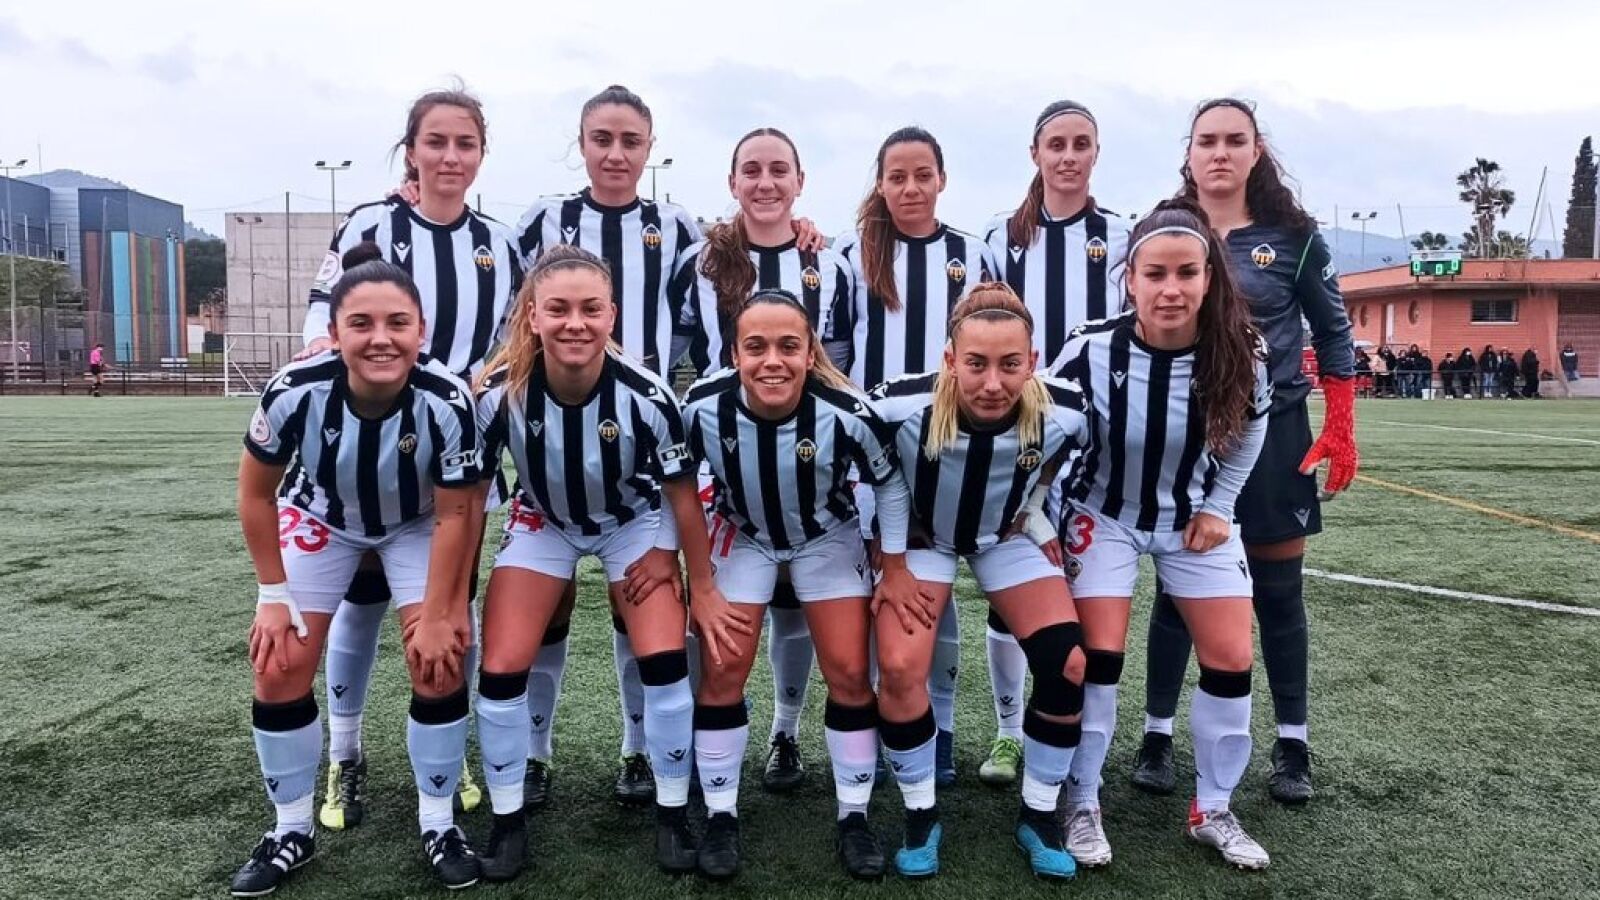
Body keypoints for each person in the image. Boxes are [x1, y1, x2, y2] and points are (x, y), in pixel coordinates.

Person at [297, 86, 522, 832]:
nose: (450, 157)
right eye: (436, 142)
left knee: (451, 605)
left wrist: (478, 394)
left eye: (465, 143)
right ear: (411, 150)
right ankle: (346, 753)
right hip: (366, 450)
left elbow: (514, 341)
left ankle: (447, 748)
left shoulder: (501, 244)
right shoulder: (372, 223)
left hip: (457, 451)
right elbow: (323, 320)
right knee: (360, 602)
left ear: (481, 154)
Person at [230, 243, 485, 896]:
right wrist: (271, 594)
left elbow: (457, 514)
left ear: (421, 330)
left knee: (439, 660)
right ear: (335, 331)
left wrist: (441, 612)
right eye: (361, 324)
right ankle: (290, 828)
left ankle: (438, 821)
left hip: (418, 522)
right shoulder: (295, 389)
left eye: (397, 323)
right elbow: (256, 494)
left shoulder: (447, 399)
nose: (380, 339)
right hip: (321, 516)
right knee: (279, 662)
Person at [1135, 97, 1358, 806]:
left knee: (1279, 592)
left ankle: (1293, 744)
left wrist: (1340, 421)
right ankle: (1156, 736)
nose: (1221, 152)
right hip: (1189, 435)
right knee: (1178, 591)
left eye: (1235, 139)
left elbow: (1333, 330)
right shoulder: (1166, 227)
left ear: (1256, 150)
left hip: (1276, 430)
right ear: (1190, 152)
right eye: (1208, 140)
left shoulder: (1293, 237)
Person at [468, 245, 704, 879]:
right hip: (543, 520)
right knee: (501, 670)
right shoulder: (499, 392)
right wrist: (452, 597)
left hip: (634, 522)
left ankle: (672, 813)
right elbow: (469, 501)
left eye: (590, 309)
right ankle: (508, 819)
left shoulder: (646, 394)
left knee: (665, 662)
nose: (575, 323)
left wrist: (688, 575)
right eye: (559, 309)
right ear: (533, 315)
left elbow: (682, 494)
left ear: (612, 316)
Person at [1050, 200, 1273, 868]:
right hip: (1104, 513)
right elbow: (1048, 430)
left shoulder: (1240, 350)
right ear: (1131, 280)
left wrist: (1221, 505)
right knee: (1099, 657)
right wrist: (1042, 517)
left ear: (1209, 278)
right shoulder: (1090, 347)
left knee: (1231, 657)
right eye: (1155, 274)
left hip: (1193, 517)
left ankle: (1213, 807)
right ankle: (1081, 800)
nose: (1170, 289)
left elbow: (1252, 427)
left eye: (1185, 273)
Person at [677, 289, 916, 880]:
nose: (772, 361)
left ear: (811, 352)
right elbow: (675, 483)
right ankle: (722, 815)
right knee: (723, 669)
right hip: (743, 532)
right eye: (755, 347)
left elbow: (888, 482)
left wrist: (894, 564)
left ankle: (854, 815)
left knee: (850, 673)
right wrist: (696, 578)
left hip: (825, 536)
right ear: (734, 354)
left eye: (789, 346)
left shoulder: (845, 409)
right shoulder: (702, 405)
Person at [871, 283, 1093, 880]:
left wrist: (1037, 507)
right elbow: (862, 465)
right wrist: (888, 554)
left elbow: (1064, 454)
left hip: (1003, 537)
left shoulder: (1065, 408)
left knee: (1069, 663)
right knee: (899, 668)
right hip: (923, 540)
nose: (993, 383)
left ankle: (1039, 813)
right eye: (976, 364)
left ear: (1033, 361)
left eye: (1010, 364)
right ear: (950, 360)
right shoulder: (899, 404)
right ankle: (921, 813)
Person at [669, 126, 857, 793]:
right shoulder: (698, 263)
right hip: (724, 464)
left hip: (810, 466)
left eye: (780, 170)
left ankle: (785, 731)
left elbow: (840, 367)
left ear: (800, 182)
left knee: (799, 604)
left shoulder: (829, 265)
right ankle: (699, 761)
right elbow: (674, 353)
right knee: (717, 620)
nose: (766, 182)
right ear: (732, 182)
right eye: (751, 169)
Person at [976, 100, 1132, 787]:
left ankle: (1074, 747)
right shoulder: (999, 238)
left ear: (1096, 152)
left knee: (1086, 597)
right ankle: (1010, 732)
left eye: (1081, 144)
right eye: (1056, 144)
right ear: (1035, 154)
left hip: (1098, 441)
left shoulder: (1122, 236)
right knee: (1011, 590)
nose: (1068, 156)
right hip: (1021, 438)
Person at [833, 126, 995, 786]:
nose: (910, 187)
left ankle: (940, 727)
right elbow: (835, 358)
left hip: (948, 451)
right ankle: (881, 725)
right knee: (880, 590)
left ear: (942, 179)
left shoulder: (973, 253)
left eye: (922, 174)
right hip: (872, 455)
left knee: (935, 594)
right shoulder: (849, 254)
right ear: (880, 182)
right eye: (896, 176)